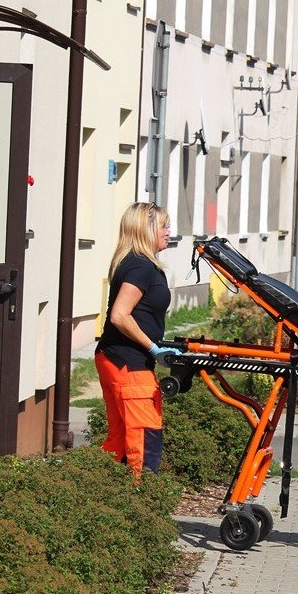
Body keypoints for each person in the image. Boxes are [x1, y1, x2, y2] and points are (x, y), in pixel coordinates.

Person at [96, 201, 181, 478]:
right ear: (145, 230)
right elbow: (120, 316)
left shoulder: (137, 263)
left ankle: (97, 495)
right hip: (128, 362)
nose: (169, 231)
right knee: (145, 436)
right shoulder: (140, 266)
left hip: (117, 357)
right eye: (163, 225)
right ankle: (142, 503)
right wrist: (153, 347)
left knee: (119, 439)